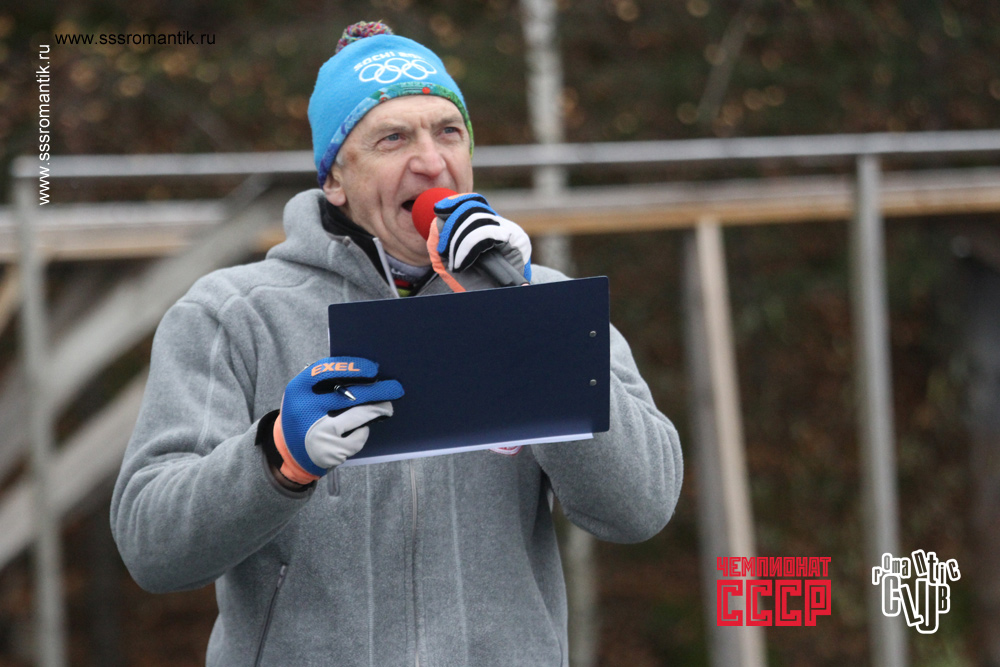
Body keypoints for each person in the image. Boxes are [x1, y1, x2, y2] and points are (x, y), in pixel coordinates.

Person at [111, 21, 683, 666]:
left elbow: (641, 507)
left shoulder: (544, 300)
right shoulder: (232, 314)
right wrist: (274, 459)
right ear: (334, 178)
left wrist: (526, 321)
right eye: (393, 138)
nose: (432, 162)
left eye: (449, 131)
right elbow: (152, 548)